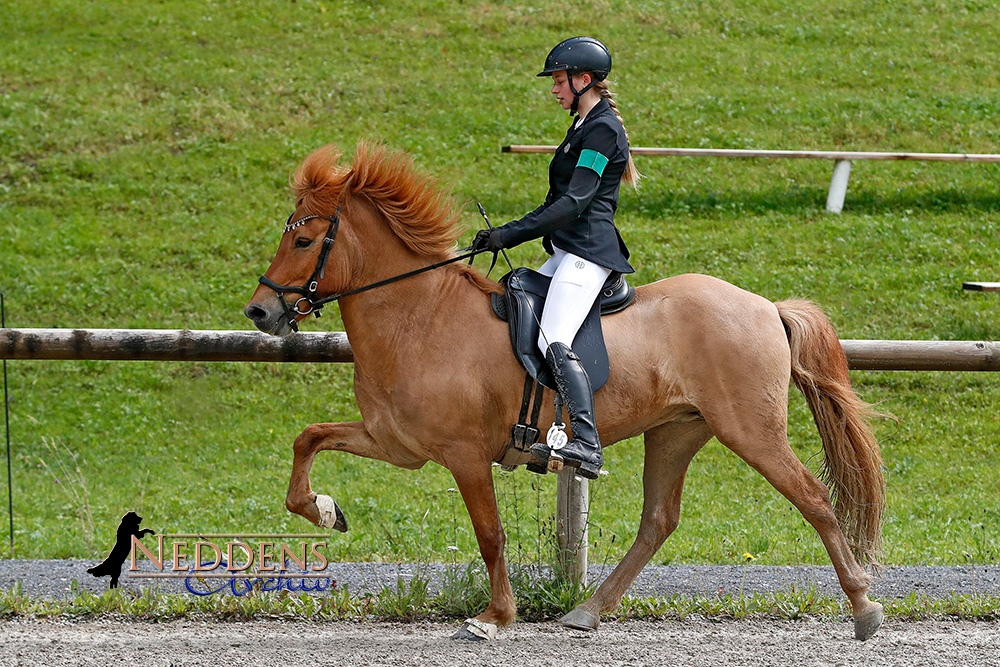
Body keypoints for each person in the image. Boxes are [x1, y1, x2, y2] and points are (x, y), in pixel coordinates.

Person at [473, 36, 641, 479]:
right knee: (516, 315)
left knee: (553, 338)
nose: (554, 89)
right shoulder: (584, 126)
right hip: (569, 250)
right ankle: (530, 426)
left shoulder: (602, 129)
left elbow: (573, 203)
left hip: (588, 253)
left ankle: (586, 443)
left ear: (584, 80)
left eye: (560, 81)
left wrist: (508, 235)